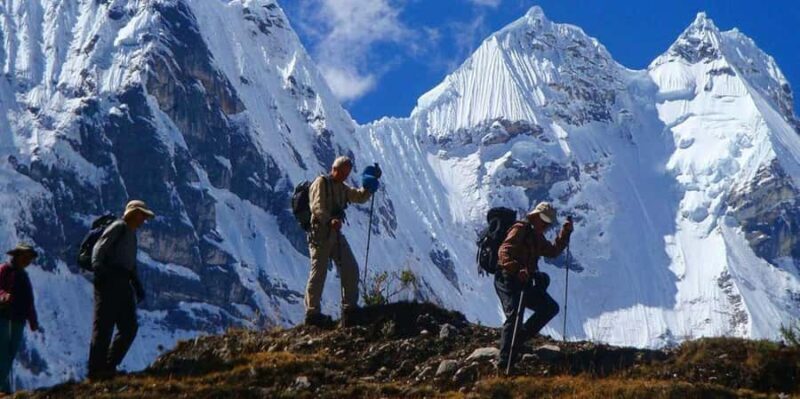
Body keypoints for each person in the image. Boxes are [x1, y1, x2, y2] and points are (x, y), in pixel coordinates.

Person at [305, 156, 380, 327]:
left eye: (347, 174)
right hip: (320, 234)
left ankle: (349, 309)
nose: (345, 177)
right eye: (343, 173)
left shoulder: (342, 187)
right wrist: (330, 220)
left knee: (350, 268)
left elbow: (358, 197)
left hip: (335, 233)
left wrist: (369, 185)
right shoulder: (321, 183)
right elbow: (316, 207)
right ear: (335, 169)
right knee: (318, 274)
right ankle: (312, 313)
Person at [495, 202, 573, 368]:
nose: (545, 225)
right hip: (507, 279)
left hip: (523, 280)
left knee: (549, 307)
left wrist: (565, 234)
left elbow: (552, 251)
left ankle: (516, 341)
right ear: (535, 217)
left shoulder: (536, 236)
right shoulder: (520, 229)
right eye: (543, 219)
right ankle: (504, 363)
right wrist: (517, 269)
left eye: (548, 222)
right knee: (514, 314)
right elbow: (503, 251)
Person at [87, 200, 154, 380]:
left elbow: (130, 264)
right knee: (104, 326)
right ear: (133, 213)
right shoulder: (118, 227)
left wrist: (137, 284)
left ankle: (109, 365)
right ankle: (96, 371)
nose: (143, 220)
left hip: (124, 283)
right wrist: (99, 271)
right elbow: (99, 249)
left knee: (129, 327)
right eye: (142, 215)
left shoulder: (131, 234)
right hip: (109, 280)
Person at [0, 244, 41, 393]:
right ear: (17, 256)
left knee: (9, 354)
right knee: (3, 353)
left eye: (29, 258)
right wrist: (4, 296)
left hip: (18, 319)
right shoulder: (4, 270)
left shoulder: (24, 275)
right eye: (26, 257)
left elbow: (28, 301)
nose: (28, 261)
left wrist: (33, 321)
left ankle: (5, 390)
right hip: (3, 316)